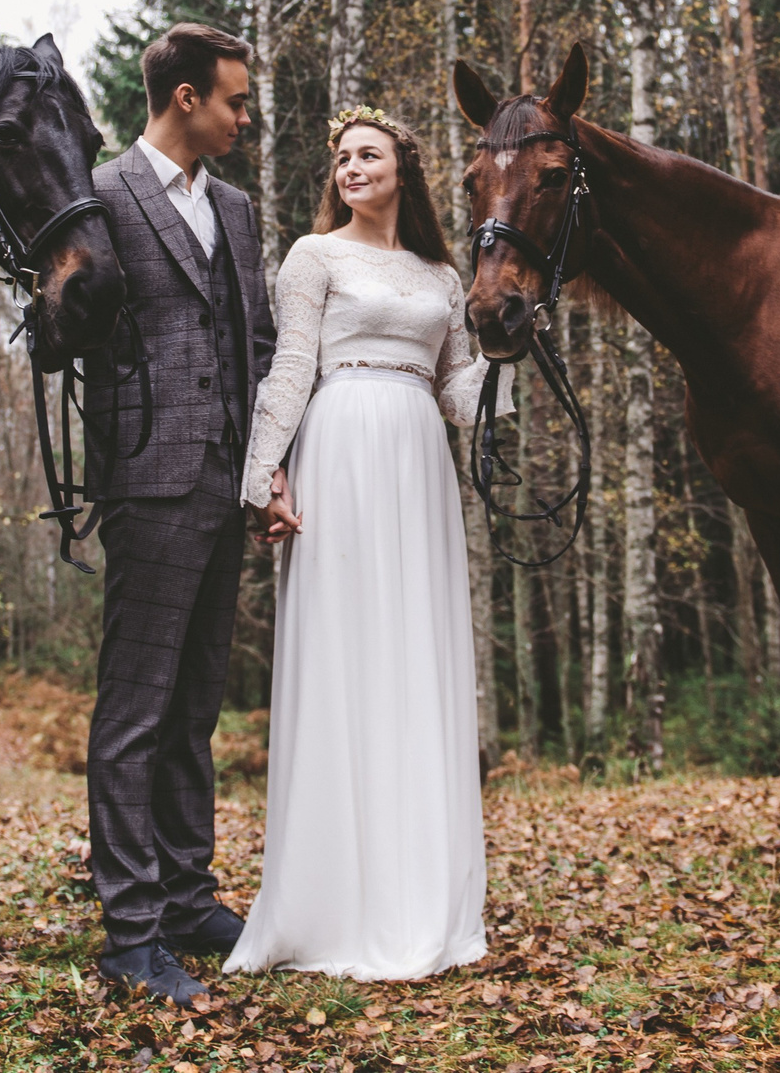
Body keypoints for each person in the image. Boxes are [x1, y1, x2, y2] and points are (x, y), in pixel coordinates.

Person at [223, 105, 510, 982]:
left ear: (403, 171)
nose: (351, 165)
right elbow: (289, 367)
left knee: (414, 661)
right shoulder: (314, 258)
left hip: (419, 458)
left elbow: (461, 397)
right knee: (344, 658)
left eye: (368, 154)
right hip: (339, 445)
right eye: (342, 156)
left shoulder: (440, 272)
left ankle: (420, 895)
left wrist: (506, 349)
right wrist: (264, 473)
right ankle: (329, 903)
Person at [81, 23, 275, 1005]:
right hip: (147, 477)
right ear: (187, 97)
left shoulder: (236, 209)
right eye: (235, 100)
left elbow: (261, 337)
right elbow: (56, 331)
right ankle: (129, 931)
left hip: (223, 478)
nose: (245, 116)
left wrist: (268, 467)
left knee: (194, 705)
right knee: (134, 710)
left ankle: (189, 894)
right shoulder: (100, 195)